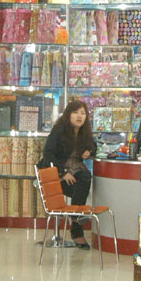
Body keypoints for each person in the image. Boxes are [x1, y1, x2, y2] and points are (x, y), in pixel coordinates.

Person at [39, 100, 97, 249]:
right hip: (55, 176)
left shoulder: (84, 133)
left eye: (82, 113)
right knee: (83, 183)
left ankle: (76, 222)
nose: (79, 116)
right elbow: (48, 154)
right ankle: (77, 227)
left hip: (75, 175)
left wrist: (88, 151)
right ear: (68, 115)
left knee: (84, 178)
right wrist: (63, 173)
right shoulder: (59, 131)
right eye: (75, 112)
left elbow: (93, 145)